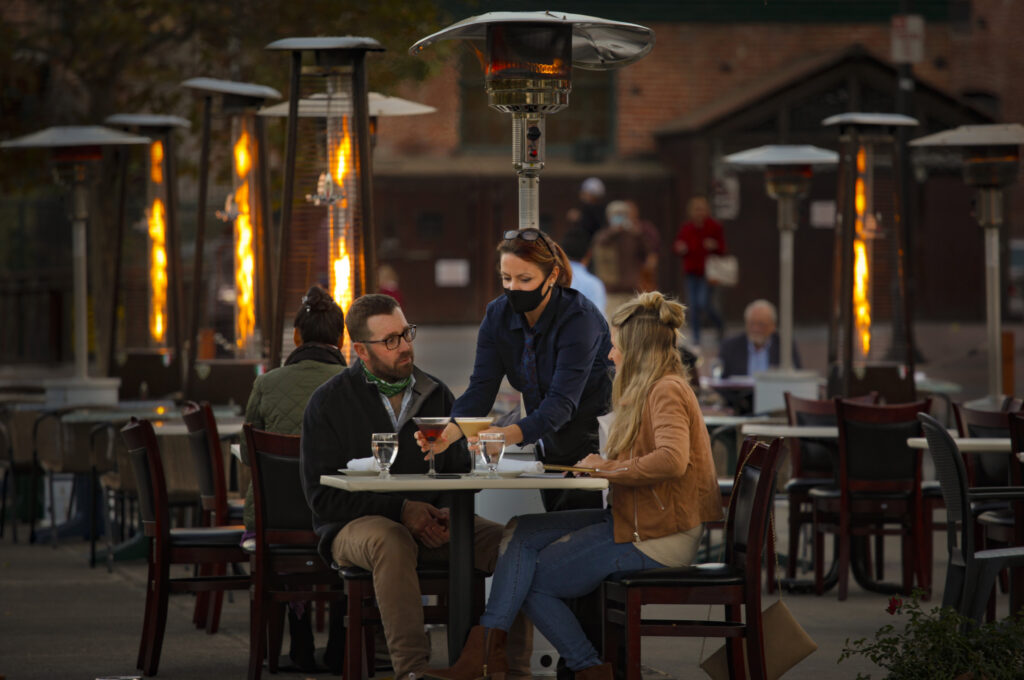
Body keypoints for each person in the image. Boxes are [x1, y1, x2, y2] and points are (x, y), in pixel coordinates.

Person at [427, 292, 723, 680]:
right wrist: (603, 468)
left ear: (637, 350)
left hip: (657, 534)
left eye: (616, 347)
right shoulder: (653, 387)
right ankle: (487, 651)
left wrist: (608, 469)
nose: (610, 357)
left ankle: (584, 667)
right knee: (522, 529)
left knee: (532, 578)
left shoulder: (665, 390)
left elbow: (671, 460)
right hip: (636, 518)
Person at [299, 294, 532, 680]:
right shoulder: (329, 403)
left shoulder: (436, 393)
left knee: (517, 543)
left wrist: (444, 511)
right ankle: (412, 672)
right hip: (354, 527)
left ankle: (509, 667)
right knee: (392, 538)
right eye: (390, 340)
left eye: (406, 333)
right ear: (361, 350)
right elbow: (322, 499)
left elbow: (457, 470)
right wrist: (403, 511)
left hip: (436, 521)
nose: (405, 345)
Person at [423, 228, 613, 513]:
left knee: (575, 527)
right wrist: (450, 433)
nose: (513, 288)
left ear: (551, 277)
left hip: (593, 440)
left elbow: (561, 404)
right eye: (506, 278)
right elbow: (480, 389)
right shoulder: (497, 314)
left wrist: (503, 435)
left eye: (525, 279)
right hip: (543, 437)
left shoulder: (580, 319)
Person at [239, 285, 346, 672]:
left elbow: (246, 445)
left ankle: (300, 640)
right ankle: (340, 642)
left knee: (284, 538)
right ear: (341, 337)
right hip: (333, 516)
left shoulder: (267, 383)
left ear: (296, 337)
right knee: (354, 540)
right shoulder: (354, 385)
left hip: (275, 523)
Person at [673, 195, 726, 344]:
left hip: (708, 273)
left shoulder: (714, 227)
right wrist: (680, 248)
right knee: (693, 305)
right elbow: (677, 246)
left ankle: (719, 324)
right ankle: (696, 336)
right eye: (696, 209)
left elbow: (723, 249)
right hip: (691, 271)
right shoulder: (687, 228)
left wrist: (714, 246)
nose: (699, 212)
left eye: (702, 209)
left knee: (704, 303)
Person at [591, 200, 652, 317]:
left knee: (630, 325)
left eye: (622, 214)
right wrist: (613, 231)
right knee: (613, 324)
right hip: (611, 290)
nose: (619, 217)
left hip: (631, 288)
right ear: (609, 217)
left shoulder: (634, 235)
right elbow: (599, 245)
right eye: (616, 214)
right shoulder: (603, 235)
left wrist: (638, 234)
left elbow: (646, 253)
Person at [718, 298, 801, 379]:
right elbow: (719, 380)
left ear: (773, 326)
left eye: (761, 324)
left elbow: (797, 376)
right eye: (752, 324)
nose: (756, 329)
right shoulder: (730, 347)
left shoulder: (784, 346)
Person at [560, 226, 607, 315]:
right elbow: (599, 322)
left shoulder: (553, 279)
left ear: (561, 253)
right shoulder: (594, 284)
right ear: (589, 254)